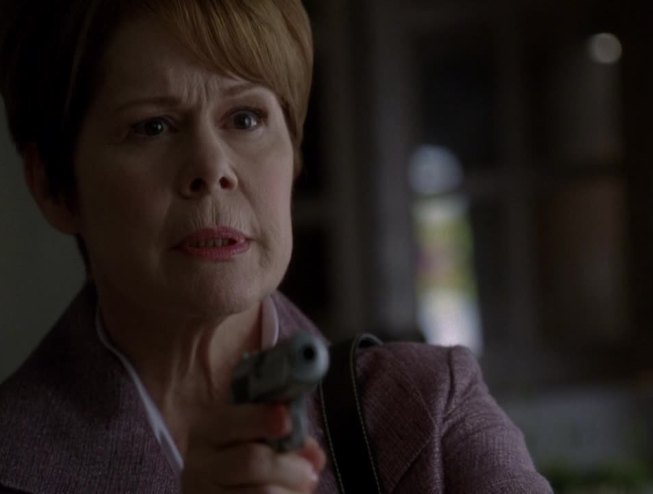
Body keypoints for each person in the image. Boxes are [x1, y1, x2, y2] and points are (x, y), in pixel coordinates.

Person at [0, 0, 552, 492]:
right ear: (53, 187)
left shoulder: (426, 409)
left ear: (294, 153)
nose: (212, 167)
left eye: (245, 118)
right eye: (153, 127)